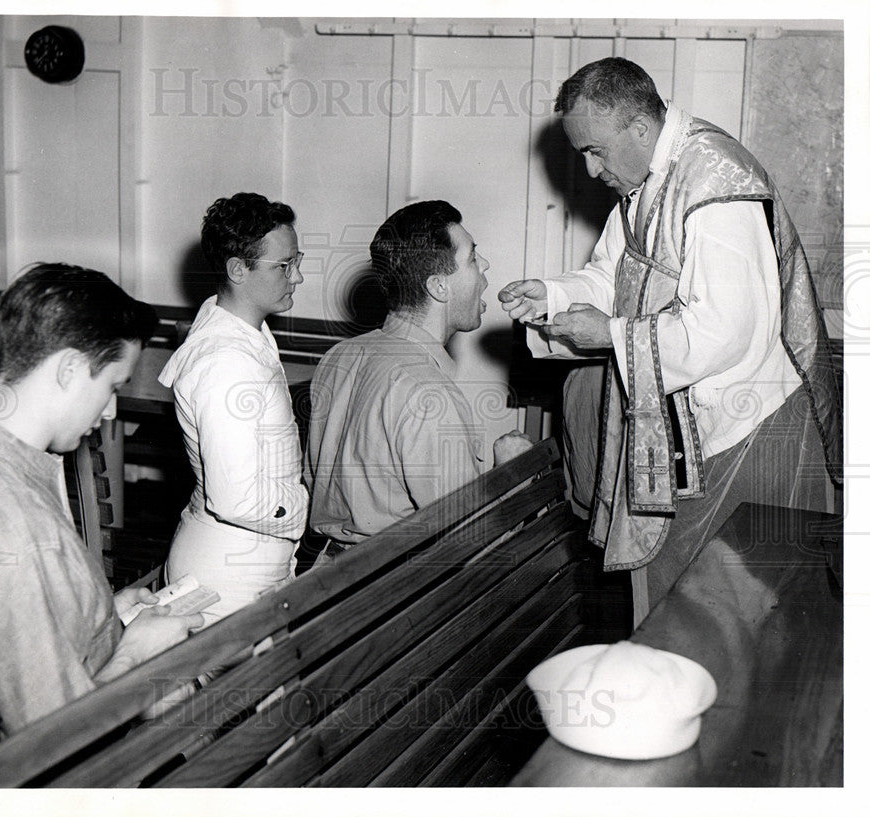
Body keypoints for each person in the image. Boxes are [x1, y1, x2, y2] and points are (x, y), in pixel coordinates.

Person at [499, 58, 841, 624]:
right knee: (689, 608)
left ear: (639, 128)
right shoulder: (648, 179)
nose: (588, 170)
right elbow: (617, 274)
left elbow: (724, 332)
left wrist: (609, 336)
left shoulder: (715, 183)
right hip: (694, 425)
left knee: (749, 611)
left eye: (595, 151)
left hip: (750, 429)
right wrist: (553, 297)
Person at [0, 264, 204, 769]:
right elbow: (61, 746)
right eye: (112, 386)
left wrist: (103, 612)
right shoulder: (10, 530)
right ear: (67, 370)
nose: (108, 412)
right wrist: (136, 655)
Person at [304, 200, 533, 559]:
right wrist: (511, 473)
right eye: (473, 257)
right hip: (394, 588)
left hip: (327, 572)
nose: (484, 265)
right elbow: (473, 544)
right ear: (439, 287)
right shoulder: (429, 393)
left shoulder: (340, 356)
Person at [159, 192, 308, 623]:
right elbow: (236, 499)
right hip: (228, 579)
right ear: (237, 269)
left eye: (297, 261)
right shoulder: (226, 362)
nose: (296, 277)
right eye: (283, 266)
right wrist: (305, 505)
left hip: (247, 560)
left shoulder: (242, 331)